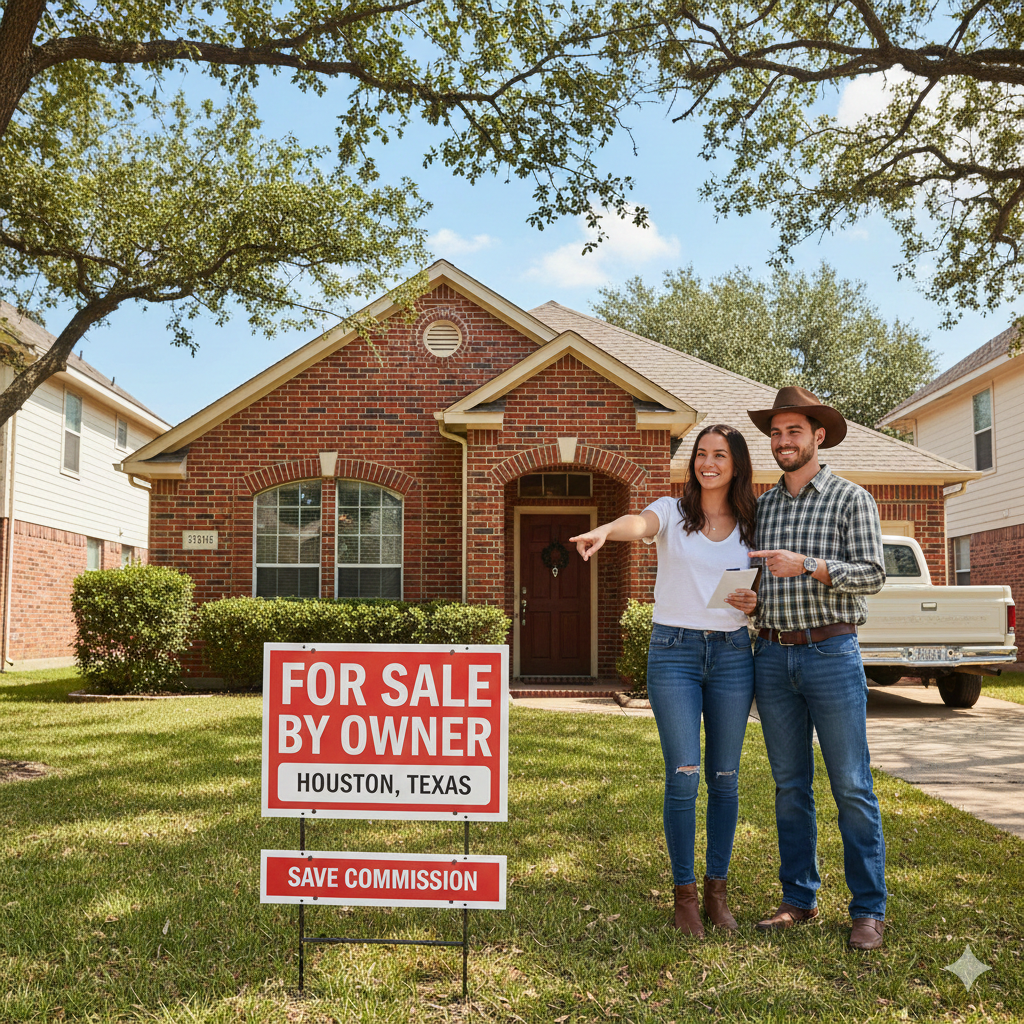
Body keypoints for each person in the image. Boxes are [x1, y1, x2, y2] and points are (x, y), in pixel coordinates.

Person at [570, 424, 759, 938]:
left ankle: (718, 893)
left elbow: (766, 585)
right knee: (683, 775)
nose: (709, 463)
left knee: (725, 778)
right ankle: (685, 898)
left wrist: (755, 601)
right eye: (701, 454)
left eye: (720, 454)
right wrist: (606, 530)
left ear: (736, 463)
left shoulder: (753, 521)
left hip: (732, 655)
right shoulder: (674, 512)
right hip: (673, 653)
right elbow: (639, 522)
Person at [745, 386, 887, 951]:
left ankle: (868, 910)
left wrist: (810, 566)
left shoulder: (852, 499)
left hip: (832, 654)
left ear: (818, 436)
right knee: (789, 787)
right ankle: (798, 899)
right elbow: (755, 579)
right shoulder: (763, 506)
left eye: (794, 432)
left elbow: (874, 574)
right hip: (772, 657)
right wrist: (751, 599)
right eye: (776, 433)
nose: (783, 441)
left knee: (851, 785)